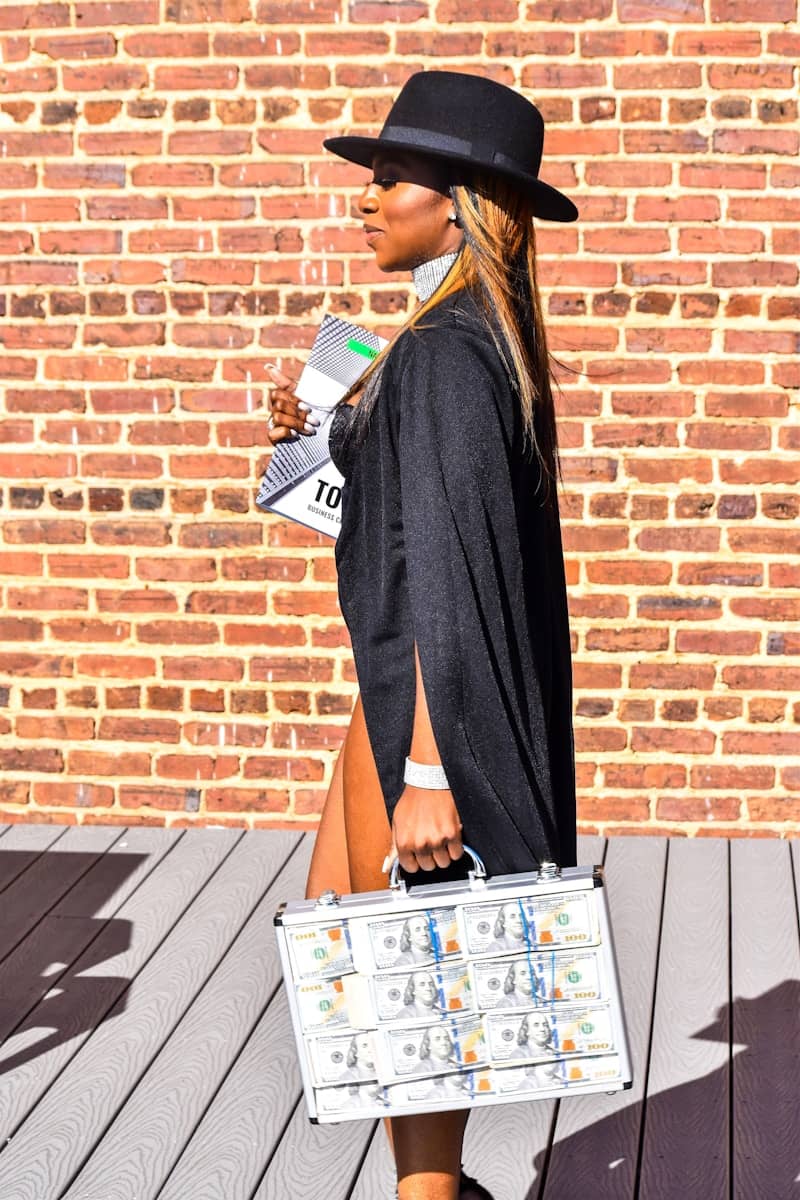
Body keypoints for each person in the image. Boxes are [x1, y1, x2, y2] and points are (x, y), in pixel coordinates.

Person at [267, 69, 577, 1200]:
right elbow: (413, 517)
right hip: (421, 693)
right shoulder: (466, 336)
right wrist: (331, 431)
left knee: (396, 968)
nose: (363, 198)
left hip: (424, 710)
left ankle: (428, 1192)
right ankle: (429, 1189)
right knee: (394, 967)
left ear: (457, 200)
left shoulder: (446, 354)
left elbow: (444, 569)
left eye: (387, 179)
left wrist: (427, 773)